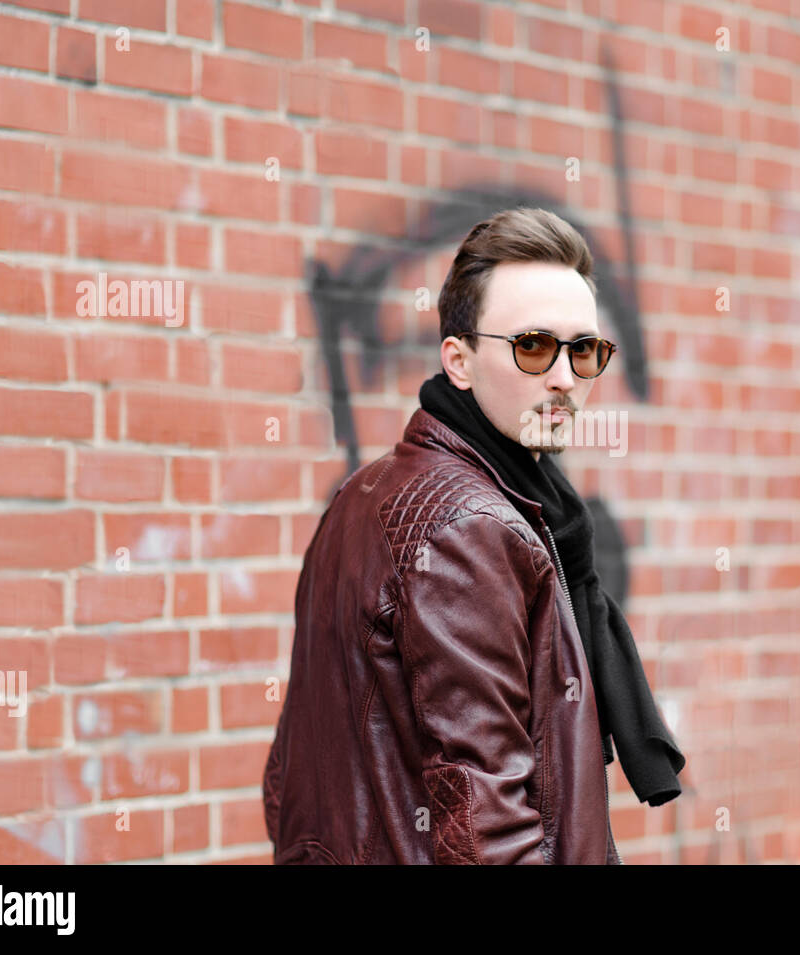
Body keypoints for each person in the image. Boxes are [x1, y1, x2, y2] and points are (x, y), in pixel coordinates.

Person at [262, 207, 685, 864]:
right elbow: (492, 828)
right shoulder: (470, 527)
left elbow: (288, 777)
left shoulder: (367, 492)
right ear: (458, 360)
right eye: (534, 346)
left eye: (585, 350)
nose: (565, 378)